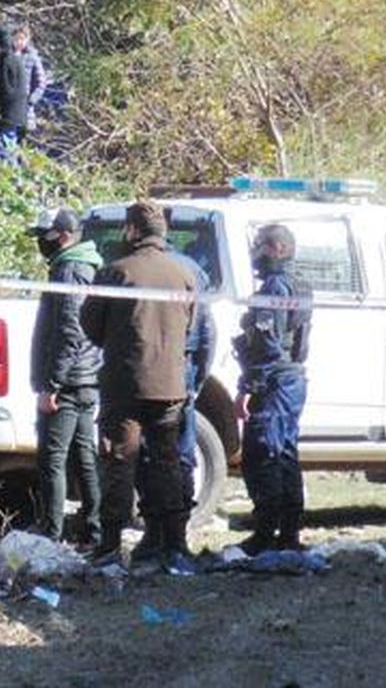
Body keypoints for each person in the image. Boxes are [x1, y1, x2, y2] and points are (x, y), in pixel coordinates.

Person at [79, 201, 196, 571]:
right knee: (167, 463)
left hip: (125, 384)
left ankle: (110, 544)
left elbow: (91, 326)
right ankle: (174, 543)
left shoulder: (116, 273)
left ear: (132, 230)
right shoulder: (184, 275)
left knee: (119, 462)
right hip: (170, 386)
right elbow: (190, 327)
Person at [133, 221, 217, 561]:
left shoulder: (131, 270)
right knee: (176, 456)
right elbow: (207, 333)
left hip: (150, 372)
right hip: (181, 371)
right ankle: (174, 539)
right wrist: (196, 381)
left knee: (149, 455)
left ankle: (159, 535)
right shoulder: (190, 271)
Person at [233, 224, 313, 554]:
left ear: (278, 248)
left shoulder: (276, 287)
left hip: (275, 381)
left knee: (264, 454)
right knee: (284, 454)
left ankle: (268, 533)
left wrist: (248, 387)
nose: (256, 253)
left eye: (261, 246)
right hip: (290, 378)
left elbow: (268, 345)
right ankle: (288, 533)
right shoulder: (299, 283)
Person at [28, 208, 104, 547]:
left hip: (70, 382)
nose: (40, 243)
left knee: (53, 458)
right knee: (83, 456)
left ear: (62, 235)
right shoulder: (83, 266)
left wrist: (52, 385)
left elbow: (69, 332)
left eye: (44, 236)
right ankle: (93, 530)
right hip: (85, 376)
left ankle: (51, 533)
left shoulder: (70, 270)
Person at [0, 26, 30, 164]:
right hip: (17, 115)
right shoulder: (15, 60)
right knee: (10, 148)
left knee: (6, 151)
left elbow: (5, 90)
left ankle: (13, 181)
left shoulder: (5, 63)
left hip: (7, 115)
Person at [13, 24, 49, 127]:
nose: (19, 42)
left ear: (27, 39)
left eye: (22, 39)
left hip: (26, 105)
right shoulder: (8, 56)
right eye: (16, 39)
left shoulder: (33, 57)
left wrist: (31, 99)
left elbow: (41, 82)